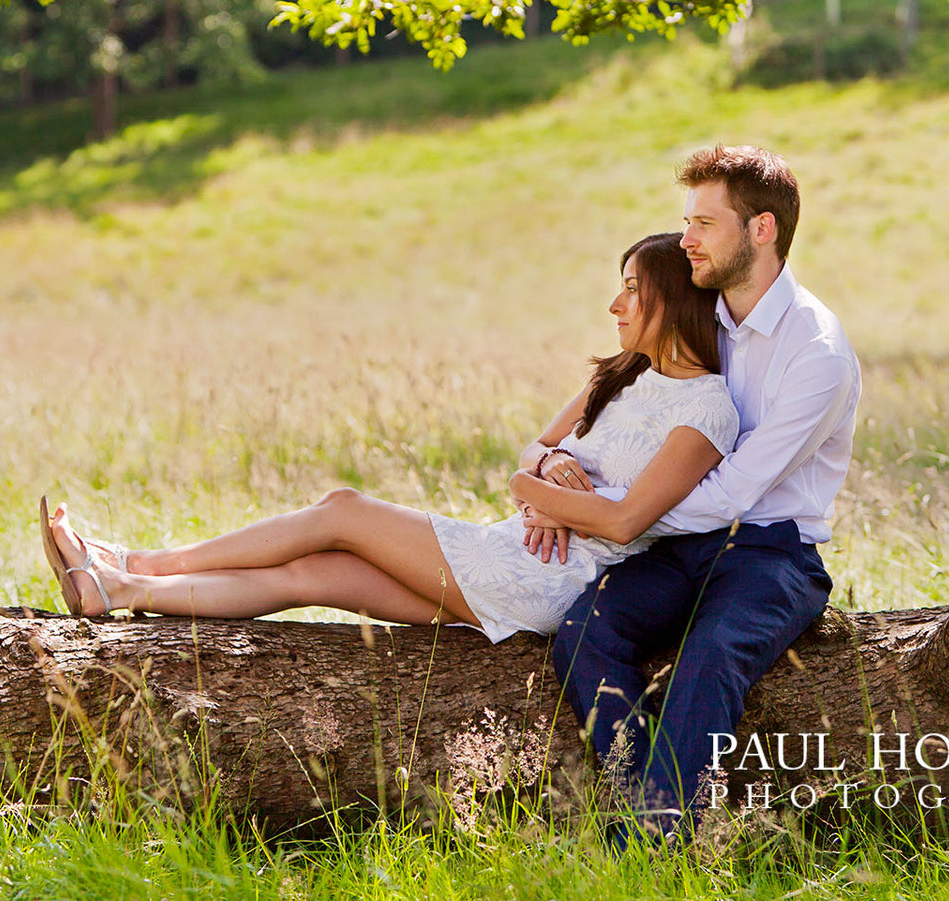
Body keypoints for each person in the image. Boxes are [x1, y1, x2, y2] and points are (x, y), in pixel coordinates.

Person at [39, 232, 741, 644]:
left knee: (343, 509)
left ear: (673, 299)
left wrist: (536, 493)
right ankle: (120, 585)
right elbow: (532, 452)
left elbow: (624, 519)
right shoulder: (618, 374)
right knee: (313, 576)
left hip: (552, 580)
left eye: (630, 289)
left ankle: (142, 560)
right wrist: (550, 465)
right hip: (510, 545)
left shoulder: (708, 410)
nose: (615, 304)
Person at [545, 145, 860, 843]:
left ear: (762, 230)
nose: (685, 238)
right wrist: (561, 469)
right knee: (584, 629)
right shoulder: (698, 317)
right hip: (679, 540)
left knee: (711, 654)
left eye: (705, 223)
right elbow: (609, 406)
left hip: (774, 552)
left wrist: (615, 514)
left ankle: (650, 849)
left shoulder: (818, 350)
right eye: (686, 220)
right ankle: (644, 808)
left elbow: (737, 492)